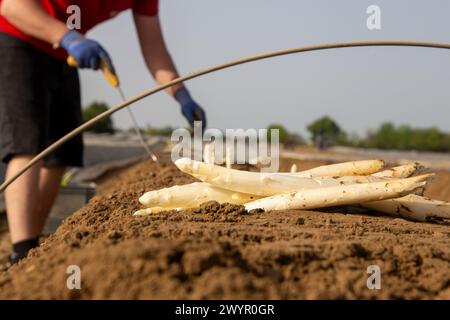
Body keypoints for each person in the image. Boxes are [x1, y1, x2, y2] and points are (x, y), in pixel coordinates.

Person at [0, 0, 207, 264]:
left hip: (63, 52)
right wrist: (68, 37)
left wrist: (182, 94)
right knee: (26, 143)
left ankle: (31, 245)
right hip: (19, 37)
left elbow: (155, 50)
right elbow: (13, 7)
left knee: (63, 152)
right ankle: (20, 250)